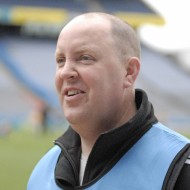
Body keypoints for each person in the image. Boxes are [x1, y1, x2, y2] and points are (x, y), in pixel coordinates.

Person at [27, 12, 190, 190]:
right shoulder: (42, 172)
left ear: (129, 72)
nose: (65, 72)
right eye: (60, 60)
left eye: (85, 58)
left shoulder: (179, 168)